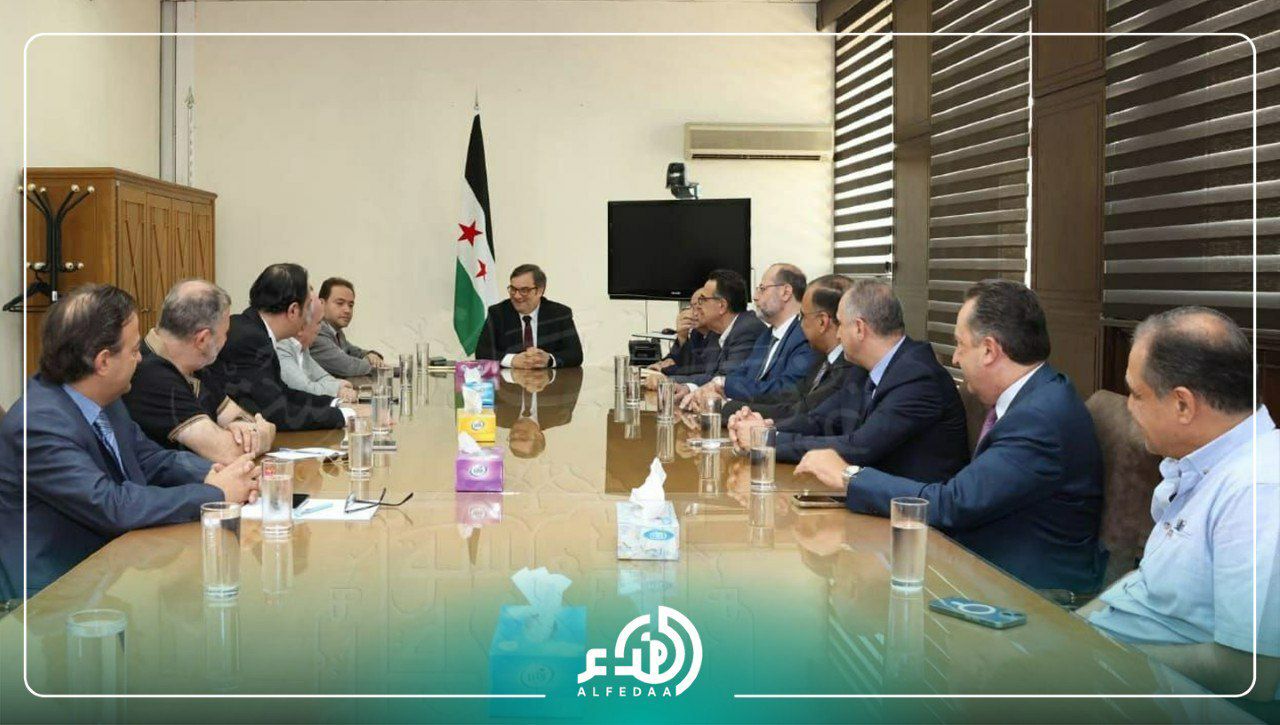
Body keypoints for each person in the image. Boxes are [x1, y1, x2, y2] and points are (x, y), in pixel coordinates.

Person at [797, 279, 1105, 594]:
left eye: (960, 344)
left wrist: (850, 476)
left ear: (989, 350)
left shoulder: (1039, 419)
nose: (955, 358)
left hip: (1026, 592)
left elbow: (954, 504)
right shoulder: (1038, 396)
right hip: (982, 565)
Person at [0, 284, 259, 598]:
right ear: (103, 362)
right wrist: (215, 493)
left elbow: (151, 459)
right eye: (135, 350)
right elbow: (112, 505)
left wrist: (216, 474)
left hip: (111, 571)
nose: (140, 359)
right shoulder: (38, 425)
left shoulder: (104, 399)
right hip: (52, 597)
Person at [1081, 307, 1278, 699]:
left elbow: (1248, 674)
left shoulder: (1258, 491)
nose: (1128, 407)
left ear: (1183, 405)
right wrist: (1069, 629)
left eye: (1137, 394)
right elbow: (1151, 588)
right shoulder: (1200, 463)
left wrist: (1103, 655)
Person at [740, 279, 966, 478]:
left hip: (910, 507)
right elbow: (818, 420)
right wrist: (764, 430)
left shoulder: (917, 377)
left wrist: (767, 441)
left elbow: (860, 446)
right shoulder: (864, 369)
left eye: (840, 324)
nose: (837, 334)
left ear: (859, 328)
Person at [123, 279, 277, 464]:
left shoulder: (194, 366)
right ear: (203, 339)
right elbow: (230, 452)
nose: (226, 339)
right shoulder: (152, 376)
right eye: (225, 333)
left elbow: (239, 417)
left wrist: (244, 427)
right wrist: (262, 433)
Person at [206, 263, 350, 431]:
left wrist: (335, 403)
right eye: (308, 307)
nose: (309, 317)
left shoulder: (254, 330)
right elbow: (277, 414)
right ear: (293, 310)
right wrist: (344, 416)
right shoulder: (251, 339)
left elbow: (283, 393)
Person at [682, 264, 815, 412]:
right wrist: (709, 389)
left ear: (786, 292)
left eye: (762, 289)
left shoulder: (806, 336)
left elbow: (785, 391)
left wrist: (723, 389)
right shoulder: (766, 336)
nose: (755, 297)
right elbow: (741, 375)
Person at [724, 273, 854, 422]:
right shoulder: (821, 360)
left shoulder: (847, 369)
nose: (800, 324)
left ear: (822, 322)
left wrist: (730, 410)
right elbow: (796, 407)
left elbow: (802, 414)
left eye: (802, 316)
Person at [665, 269, 767, 390]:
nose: (698, 307)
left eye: (703, 300)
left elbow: (724, 380)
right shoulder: (718, 332)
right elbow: (702, 371)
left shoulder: (746, 330)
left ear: (722, 306)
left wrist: (668, 381)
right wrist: (663, 374)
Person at [475, 264, 583, 368]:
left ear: (539, 291)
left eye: (524, 290)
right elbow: (482, 352)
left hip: (549, 379)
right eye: (513, 289)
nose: (517, 296)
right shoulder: (498, 313)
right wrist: (512, 360)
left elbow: (575, 354)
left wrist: (549, 360)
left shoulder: (559, 314)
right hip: (509, 380)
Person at [277, 296, 357, 402]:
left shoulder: (302, 348)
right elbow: (305, 388)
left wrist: (339, 385)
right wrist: (338, 390)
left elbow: (322, 377)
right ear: (302, 326)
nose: (321, 328)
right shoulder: (281, 347)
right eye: (319, 322)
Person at [312, 277, 383, 378]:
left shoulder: (336, 332)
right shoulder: (316, 332)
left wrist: (371, 354)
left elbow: (353, 351)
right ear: (321, 304)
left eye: (350, 305)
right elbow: (348, 367)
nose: (347, 310)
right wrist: (376, 365)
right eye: (340, 303)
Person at [648, 288, 713, 378]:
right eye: (691, 307)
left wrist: (665, 369)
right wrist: (682, 337)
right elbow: (674, 358)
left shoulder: (718, 335)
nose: (692, 313)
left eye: (698, 307)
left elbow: (699, 370)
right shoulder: (696, 332)